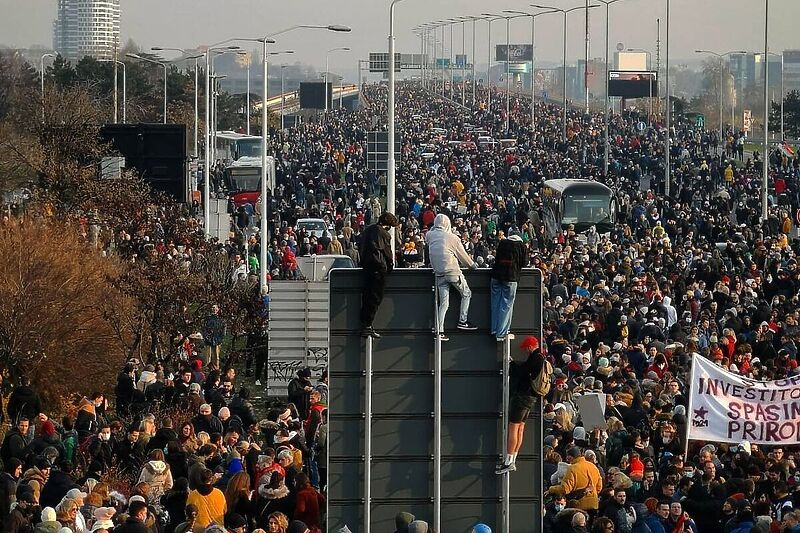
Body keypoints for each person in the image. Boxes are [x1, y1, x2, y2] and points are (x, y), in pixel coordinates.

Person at [426, 213, 478, 340]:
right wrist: (473, 265)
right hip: (452, 272)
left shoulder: (430, 236)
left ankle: (439, 331)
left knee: (443, 303)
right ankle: (463, 321)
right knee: (466, 294)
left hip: (439, 274)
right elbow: (463, 257)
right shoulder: (452, 238)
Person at [496, 337, 543, 474]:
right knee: (520, 428)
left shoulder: (535, 358)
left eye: (526, 348)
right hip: (532, 398)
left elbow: (522, 372)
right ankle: (513, 459)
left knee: (513, 427)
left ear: (530, 346)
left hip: (523, 396)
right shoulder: (541, 357)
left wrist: (512, 364)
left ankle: (508, 460)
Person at [358, 211, 398, 338]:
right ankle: (368, 325)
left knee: (367, 296)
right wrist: (390, 265)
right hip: (378, 268)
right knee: (376, 297)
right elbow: (387, 251)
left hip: (366, 267)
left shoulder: (367, 231)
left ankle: (366, 325)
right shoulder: (383, 233)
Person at [490, 229, 528, 341]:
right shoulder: (521, 246)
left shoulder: (502, 243)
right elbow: (524, 263)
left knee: (495, 303)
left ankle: (493, 328)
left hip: (496, 276)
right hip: (511, 277)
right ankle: (501, 333)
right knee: (506, 305)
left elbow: (496, 259)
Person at [547, 447, 603, 513]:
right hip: (594, 504)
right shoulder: (593, 466)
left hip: (579, 504)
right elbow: (599, 487)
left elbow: (565, 489)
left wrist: (551, 489)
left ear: (570, 457)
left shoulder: (572, 468)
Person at [203, 304, 226, 371]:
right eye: (212, 308)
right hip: (208, 341)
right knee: (207, 358)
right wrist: (207, 338)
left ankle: (216, 371)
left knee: (216, 358)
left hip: (217, 341)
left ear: (218, 309)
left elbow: (223, 332)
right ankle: (207, 372)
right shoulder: (207, 319)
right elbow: (204, 329)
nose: (214, 309)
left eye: (215, 308)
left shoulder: (221, 320)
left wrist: (219, 340)